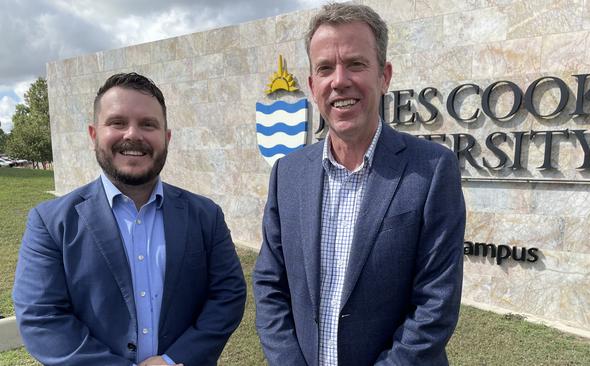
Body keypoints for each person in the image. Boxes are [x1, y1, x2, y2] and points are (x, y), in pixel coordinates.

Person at [253, 3, 466, 365]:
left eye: (355, 64)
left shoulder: (432, 170)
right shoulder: (287, 173)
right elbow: (269, 285)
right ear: (311, 85)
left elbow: (435, 303)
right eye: (325, 68)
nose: (339, 81)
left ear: (384, 76)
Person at [13, 73, 246, 366]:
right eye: (117, 122)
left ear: (167, 137)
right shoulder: (50, 223)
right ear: (93, 134)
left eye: (148, 124)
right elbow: (42, 317)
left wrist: (173, 360)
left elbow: (228, 296)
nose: (133, 134)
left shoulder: (205, 215)